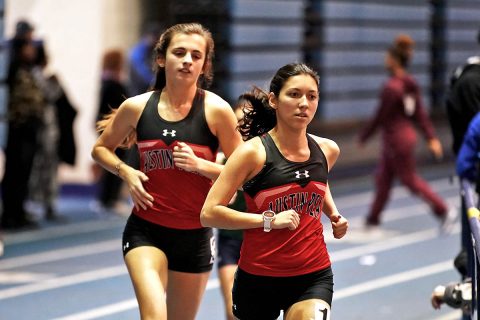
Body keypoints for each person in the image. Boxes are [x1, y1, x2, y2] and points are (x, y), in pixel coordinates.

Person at [91, 23, 242, 320]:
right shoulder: (136, 108)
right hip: (146, 230)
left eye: (196, 55)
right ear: (162, 59)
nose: (187, 60)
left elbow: (243, 175)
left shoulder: (217, 111)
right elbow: (100, 149)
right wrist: (127, 172)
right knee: (154, 316)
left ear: (205, 65)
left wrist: (202, 166)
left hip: (195, 234)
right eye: (180, 52)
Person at [201, 63, 349, 320]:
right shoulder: (252, 153)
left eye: (311, 96)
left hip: (312, 275)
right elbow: (209, 213)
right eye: (294, 94)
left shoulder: (327, 150)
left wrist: (334, 213)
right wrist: (267, 220)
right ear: (273, 100)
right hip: (259, 280)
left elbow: (317, 183)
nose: (304, 103)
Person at [358, 34, 454, 230]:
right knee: (383, 179)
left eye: (387, 57)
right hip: (405, 137)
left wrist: (364, 136)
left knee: (410, 180)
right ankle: (373, 219)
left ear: (394, 60)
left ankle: (443, 210)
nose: (385, 61)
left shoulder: (391, 88)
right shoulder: (410, 83)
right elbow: (419, 113)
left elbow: (380, 117)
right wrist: (431, 137)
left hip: (396, 140)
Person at [1, 38, 45, 230]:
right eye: (28, 46)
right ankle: (11, 214)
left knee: (25, 173)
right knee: (13, 173)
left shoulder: (30, 68)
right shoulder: (12, 68)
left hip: (29, 128)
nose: (32, 50)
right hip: (17, 128)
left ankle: (19, 211)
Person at [215, 103, 246, 320]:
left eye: (247, 123)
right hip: (231, 243)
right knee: (233, 311)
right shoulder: (221, 160)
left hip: (262, 244)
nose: (241, 128)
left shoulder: (266, 159)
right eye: (238, 124)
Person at [94, 49, 130, 214]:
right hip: (113, 128)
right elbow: (109, 108)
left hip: (112, 126)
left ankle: (108, 199)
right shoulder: (112, 83)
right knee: (114, 164)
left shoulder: (108, 81)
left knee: (113, 164)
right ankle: (108, 200)